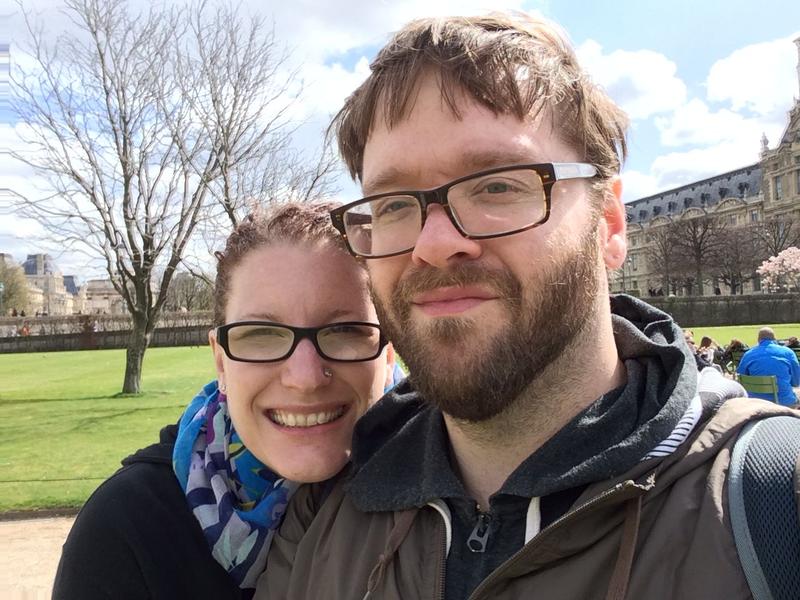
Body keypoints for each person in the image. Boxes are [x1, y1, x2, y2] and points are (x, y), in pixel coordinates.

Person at [256, 13, 798, 600]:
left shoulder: (776, 502)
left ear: (610, 224)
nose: (434, 245)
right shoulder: (321, 511)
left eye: (496, 185)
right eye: (393, 204)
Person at [53, 203, 396, 599]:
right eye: (262, 335)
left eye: (344, 331)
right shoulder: (127, 529)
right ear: (221, 360)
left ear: (389, 353)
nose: (304, 378)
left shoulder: (451, 502)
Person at [737, 327, 800, 407]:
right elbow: (796, 382)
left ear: (758, 340)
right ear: (774, 339)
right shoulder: (788, 352)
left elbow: (741, 378)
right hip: (783, 402)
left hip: (756, 403)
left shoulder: (748, 354)